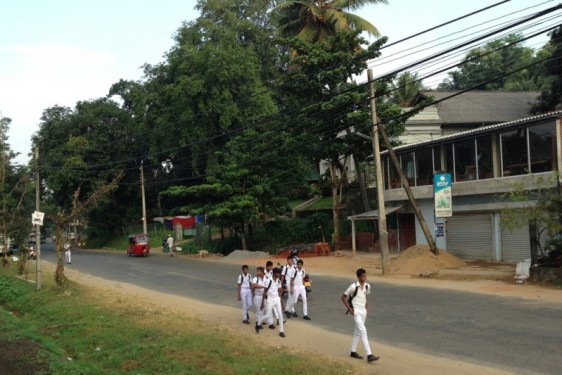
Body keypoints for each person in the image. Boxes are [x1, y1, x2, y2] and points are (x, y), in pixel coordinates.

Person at [341, 268, 379, 363]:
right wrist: (349, 309)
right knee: (363, 330)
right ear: (358, 277)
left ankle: (353, 351)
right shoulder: (353, 286)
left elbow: (364, 295)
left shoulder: (367, 286)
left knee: (358, 331)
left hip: (363, 311)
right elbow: (343, 297)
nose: (365, 278)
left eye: (365, 276)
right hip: (356, 311)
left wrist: (366, 306)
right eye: (363, 276)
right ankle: (369, 354)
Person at [255, 267, 285, 338]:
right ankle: (258, 324)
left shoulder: (278, 281)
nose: (279, 274)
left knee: (280, 315)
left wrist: (281, 301)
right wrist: (262, 302)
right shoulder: (269, 281)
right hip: (270, 299)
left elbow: (279, 290)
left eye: (279, 273)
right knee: (267, 315)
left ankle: (281, 331)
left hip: (276, 298)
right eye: (278, 273)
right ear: (274, 273)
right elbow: (265, 292)